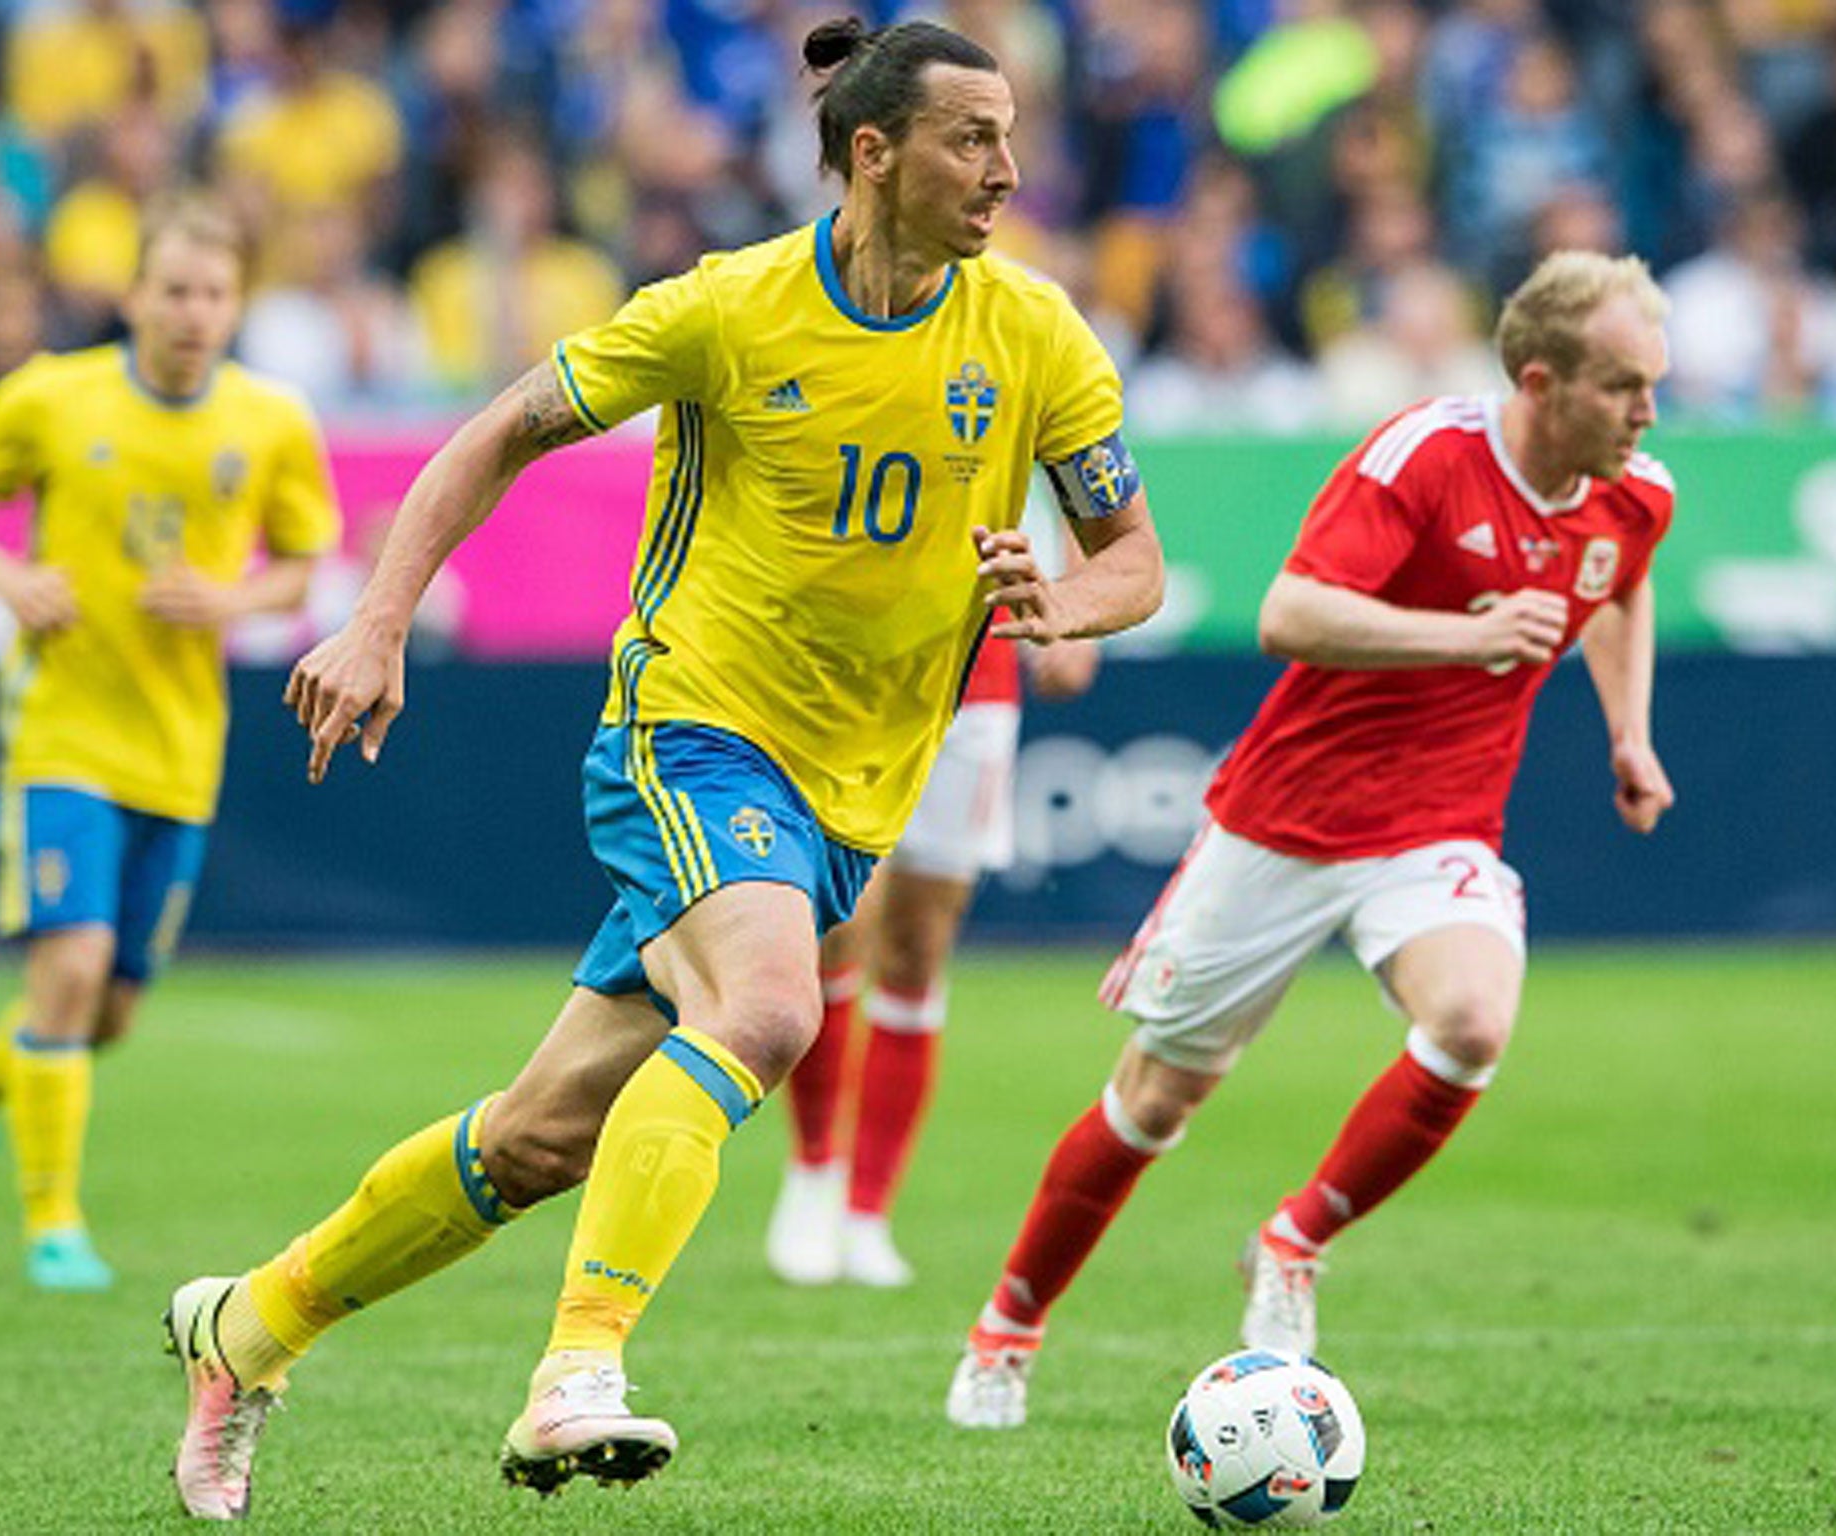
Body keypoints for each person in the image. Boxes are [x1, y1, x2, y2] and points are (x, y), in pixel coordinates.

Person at [162, 18, 1164, 1521]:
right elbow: (503, 429)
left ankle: (246, 1329)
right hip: (685, 732)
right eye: (975, 138)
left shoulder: (1037, 335)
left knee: (538, 1135)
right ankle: (577, 1375)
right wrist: (378, 620)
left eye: (1012, 138)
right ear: (873, 150)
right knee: (768, 1009)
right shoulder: (730, 308)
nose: (1010, 171)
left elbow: (1130, 557)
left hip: (844, 802)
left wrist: (1063, 600)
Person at [946, 249, 1678, 1430]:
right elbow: (1289, 614)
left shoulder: (1632, 490)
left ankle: (1293, 1238)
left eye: (1651, 386)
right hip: (1283, 821)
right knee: (1152, 1104)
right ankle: (1008, 1328)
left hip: (1438, 824)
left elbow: (1619, 584)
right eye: (1620, 388)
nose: (1645, 414)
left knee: (1471, 1024)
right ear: (1539, 383)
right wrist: (1465, 634)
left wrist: (1628, 733)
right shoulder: (1421, 458)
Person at [0, 190, 340, 1292]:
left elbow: (300, 558)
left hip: (179, 741)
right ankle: (53, 1226)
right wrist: (9, 577)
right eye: (174, 289)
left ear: (237, 303)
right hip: (62, 728)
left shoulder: (270, 421)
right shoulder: (51, 397)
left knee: (109, 1009)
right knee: (72, 963)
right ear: (134, 294)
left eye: (215, 292)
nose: (194, 311)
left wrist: (234, 602)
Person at [765, 625, 1097, 1289]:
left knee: (919, 951)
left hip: (973, 681)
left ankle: (867, 1213)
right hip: (852, 670)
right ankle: (814, 1172)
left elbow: (1088, 518)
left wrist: (1074, 608)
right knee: (839, 927)